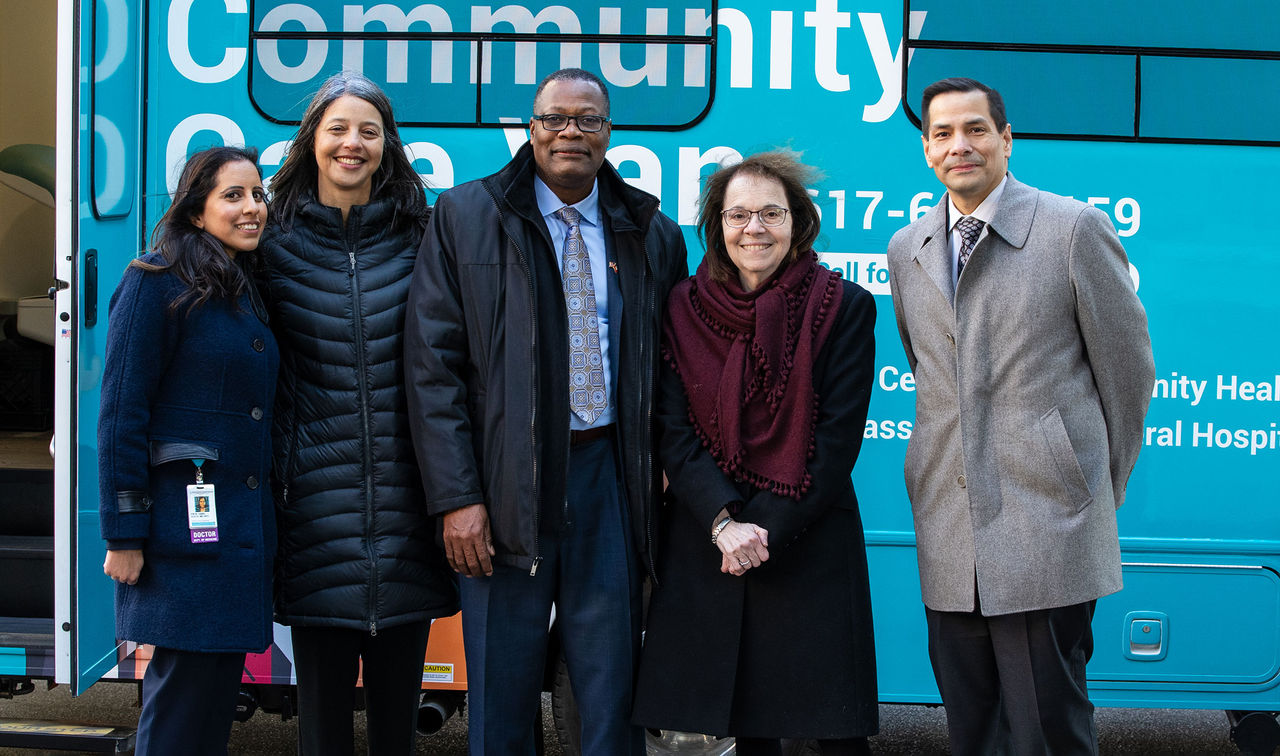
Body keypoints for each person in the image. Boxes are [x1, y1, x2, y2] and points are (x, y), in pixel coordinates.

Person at [404, 67, 688, 754]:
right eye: (554, 118)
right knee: (500, 697)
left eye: (587, 120)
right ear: (530, 130)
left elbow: (674, 365)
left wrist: (665, 471)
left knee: (611, 692)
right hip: (501, 488)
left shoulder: (651, 231)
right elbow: (431, 368)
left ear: (608, 132)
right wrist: (457, 497)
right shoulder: (465, 215)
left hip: (611, 483)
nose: (570, 131)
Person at [886, 77, 1155, 754]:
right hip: (951, 531)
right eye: (943, 133)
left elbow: (1128, 374)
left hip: (1048, 528)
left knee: (1048, 732)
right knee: (972, 729)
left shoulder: (1072, 230)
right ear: (925, 150)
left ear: (1007, 140)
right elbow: (929, 373)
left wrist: (1087, 488)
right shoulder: (907, 249)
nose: (960, 145)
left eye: (976, 129)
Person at [631, 151, 879, 756]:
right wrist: (723, 523)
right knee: (749, 730)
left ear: (799, 222)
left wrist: (758, 532)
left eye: (772, 213)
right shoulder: (681, 308)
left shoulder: (845, 306)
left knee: (835, 735)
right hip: (709, 538)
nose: (755, 228)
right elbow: (673, 430)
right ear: (717, 224)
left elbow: (836, 441)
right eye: (739, 214)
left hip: (807, 538)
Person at [259, 71, 458, 755]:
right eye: (338, 128)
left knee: (398, 729)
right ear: (311, 139)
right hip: (312, 512)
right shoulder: (271, 244)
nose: (353, 143)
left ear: (387, 145)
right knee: (321, 728)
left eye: (368, 131)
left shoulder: (424, 237)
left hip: (408, 510)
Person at [98, 145, 276, 756]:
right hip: (180, 533)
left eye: (258, 194)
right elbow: (121, 412)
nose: (252, 207)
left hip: (230, 537)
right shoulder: (153, 281)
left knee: (209, 712)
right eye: (233, 196)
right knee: (178, 713)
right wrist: (123, 533)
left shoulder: (238, 282)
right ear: (195, 210)